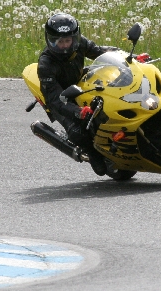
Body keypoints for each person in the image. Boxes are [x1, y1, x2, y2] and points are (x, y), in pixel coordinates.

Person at [37, 13, 118, 176]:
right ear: (51, 40)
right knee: (77, 132)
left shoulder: (80, 44)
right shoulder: (46, 64)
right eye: (60, 42)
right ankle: (93, 154)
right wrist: (77, 111)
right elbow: (55, 99)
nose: (65, 46)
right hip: (62, 97)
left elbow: (101, 52)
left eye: (68, 40)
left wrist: (132, 58)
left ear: (74, 38)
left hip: (81, 84)